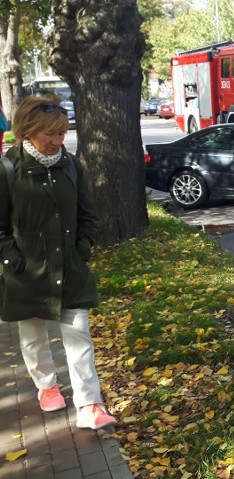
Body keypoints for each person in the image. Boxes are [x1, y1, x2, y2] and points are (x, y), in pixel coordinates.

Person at [0, 96, 117, 430]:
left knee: (79, 336)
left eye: (62, 132)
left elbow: (88, 213)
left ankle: (90, 405)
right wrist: (13, 260)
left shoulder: (71, 165)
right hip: (27, 272)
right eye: (49, 134)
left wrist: (83, 246)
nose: (57, 141)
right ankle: (47, 385)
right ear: (27, 131)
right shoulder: (8, 170)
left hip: (70, 267)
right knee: (34, 338)